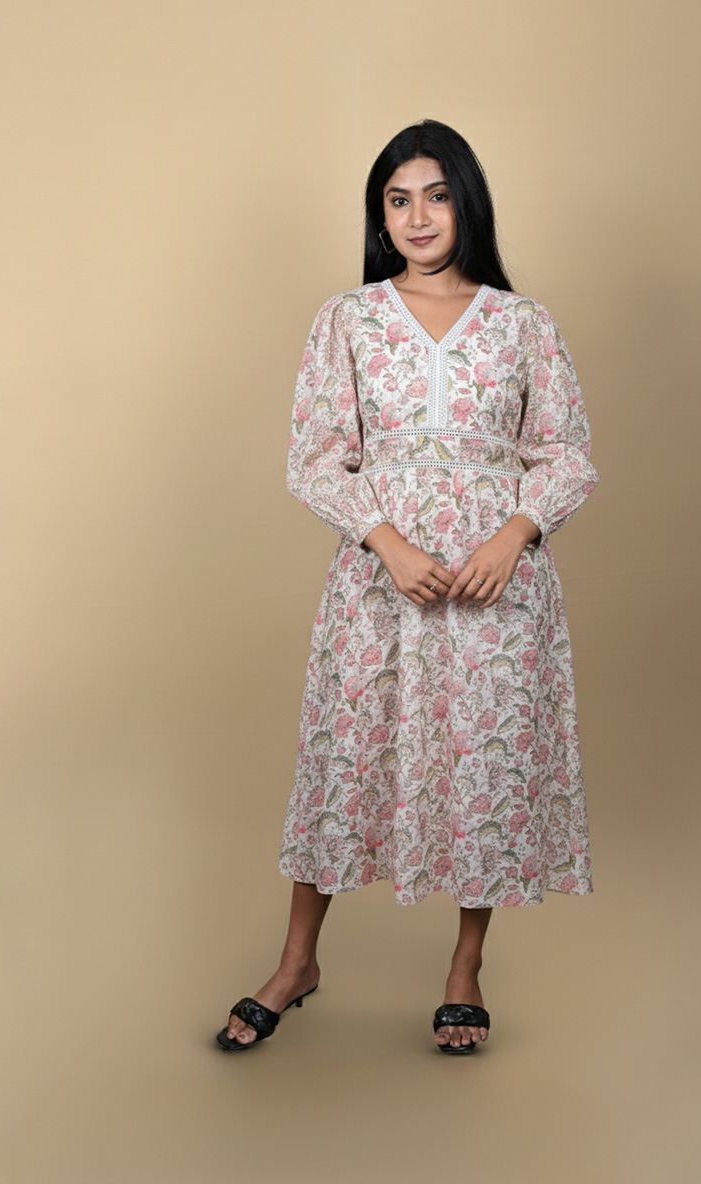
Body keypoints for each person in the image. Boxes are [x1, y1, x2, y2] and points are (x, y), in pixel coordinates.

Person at [216, 118, 600, 1056]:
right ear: (379, 217)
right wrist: (383, 541)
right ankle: (297, 961)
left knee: (482, 766)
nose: (418, 215)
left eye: (435, 194)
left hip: (493, 592)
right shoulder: (347, 317)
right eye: (397, 199)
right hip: (381, 587)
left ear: (466, 201)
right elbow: (315, 458)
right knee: (346, 762)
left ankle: (465, 968)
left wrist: (516, 534)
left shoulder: (523, 324)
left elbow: (568, 455)